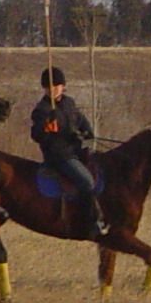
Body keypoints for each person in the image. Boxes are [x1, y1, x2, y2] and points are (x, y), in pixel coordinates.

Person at [30, 66, 108, 238]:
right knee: (87, 181)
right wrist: (47, 127)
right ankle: (92, 221)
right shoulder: (42, 110)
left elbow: (80, 120)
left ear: (63, 86)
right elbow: (36, 134)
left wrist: (87, 132)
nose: (52, 89)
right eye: (49, 86)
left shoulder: (69, 103)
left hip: (76, 151)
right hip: (59, 156)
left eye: (56, 86)